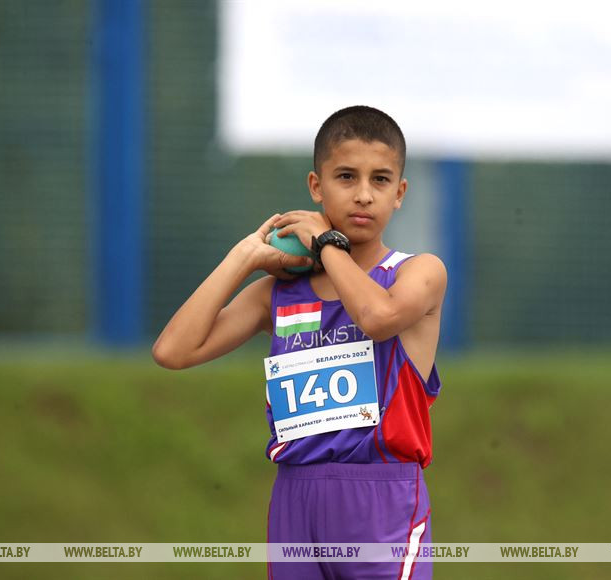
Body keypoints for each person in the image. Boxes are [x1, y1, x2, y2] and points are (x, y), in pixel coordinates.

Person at [152, 105, 447, 579]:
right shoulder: (279, 293)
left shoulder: (418, 273)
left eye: (380, 180)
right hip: (296, 498)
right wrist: (245, 257)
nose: (364, 195)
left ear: (399, 194)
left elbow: (377, 318)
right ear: (316, 186)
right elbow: (173, 351)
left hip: (381, 499)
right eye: (346, 177)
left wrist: (327, 244)